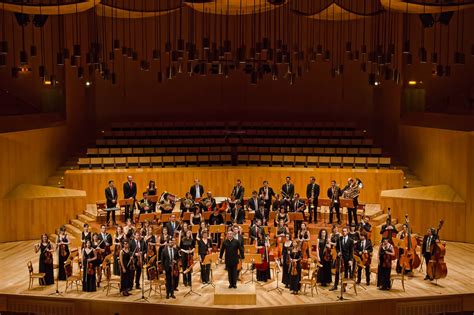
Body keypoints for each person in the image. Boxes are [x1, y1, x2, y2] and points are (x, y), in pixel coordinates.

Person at [330, 227, 354, 291]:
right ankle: (335, 285)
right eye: (343, 231)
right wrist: (338, 252)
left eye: (345, 231)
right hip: (339, 258)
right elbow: (337, 248)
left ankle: (344, 286)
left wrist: (350, 260)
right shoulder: (339, 239)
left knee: (346, 272)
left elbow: (351, 251)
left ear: (347, 232)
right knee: (337, 271)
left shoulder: (350, 240)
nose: (344, 232)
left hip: (347, 259)